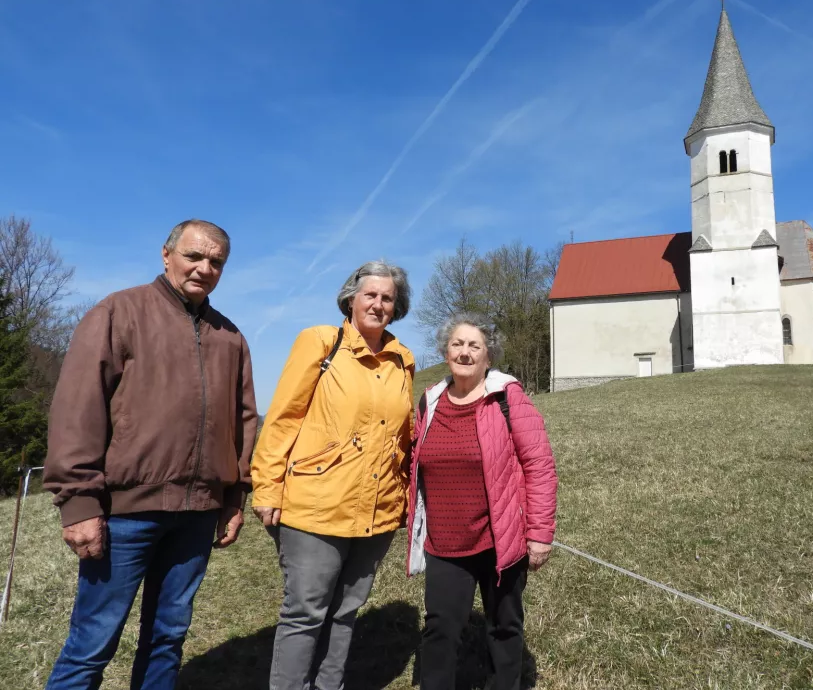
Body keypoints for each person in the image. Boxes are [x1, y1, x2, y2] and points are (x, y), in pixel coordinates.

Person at [43, 219, 258, 690]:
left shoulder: (231, 337)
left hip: (197, 516)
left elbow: (243, 423)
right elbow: (78, 408)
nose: (204, 268)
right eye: (194, 256)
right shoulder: (119, 312)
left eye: (216, 261)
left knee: (168, 638)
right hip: (125, 515)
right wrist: (79, 502)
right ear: (166, 255)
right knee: (92, 643)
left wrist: (234, 498)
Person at [251, 260, 415, 690]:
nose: (378, 304)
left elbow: (405, 434)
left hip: (377, 512)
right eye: (370, 295)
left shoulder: (403, 360)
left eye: (387, 298)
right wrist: (267, 486)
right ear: (351, 298)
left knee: (346, 612)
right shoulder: (321, 342)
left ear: (397, 307)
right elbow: (283, 418)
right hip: (316, 505)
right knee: (305, 612)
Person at [406, 313, 558, 690]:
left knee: (504, 627)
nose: (465, 352)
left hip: (499, 540)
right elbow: (414, 461)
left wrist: (539, 534)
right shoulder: (429, 402)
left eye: (474, 346)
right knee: (440, 630)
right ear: (446, 352)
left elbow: (539, 465)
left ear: (488, 356)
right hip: (444, 542)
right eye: (457, 344)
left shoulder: (507, 398)